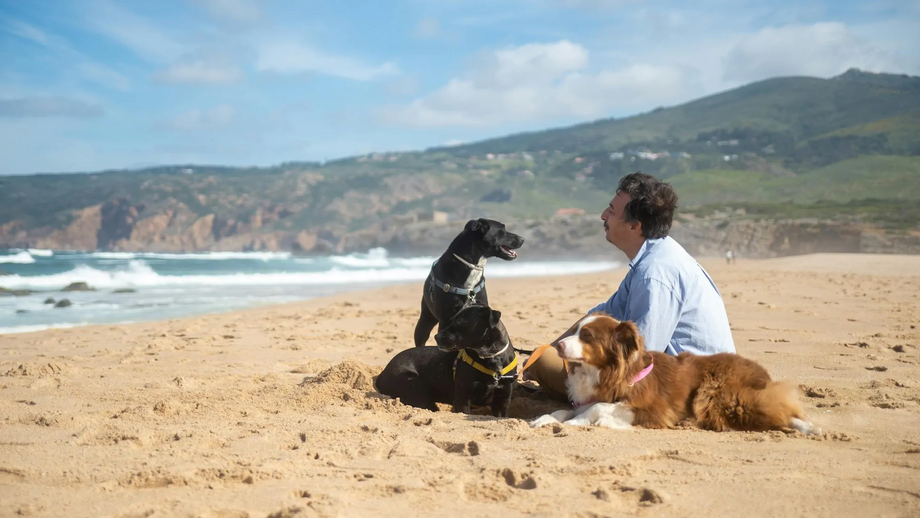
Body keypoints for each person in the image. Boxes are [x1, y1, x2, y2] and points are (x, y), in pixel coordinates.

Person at [524, 172, 736, 401]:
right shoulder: (654, 255)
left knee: (547, 363)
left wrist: (548, 361)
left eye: (612, 212)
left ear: (635, 226)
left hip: (694, 391)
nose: (603, 216)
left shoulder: (655, 273)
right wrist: (554, 346)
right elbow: (601, 315)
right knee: (547, 355)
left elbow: (640, 359)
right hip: (683, 376)